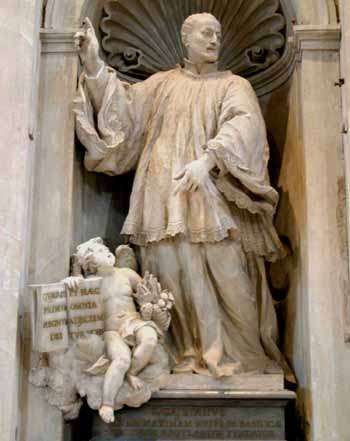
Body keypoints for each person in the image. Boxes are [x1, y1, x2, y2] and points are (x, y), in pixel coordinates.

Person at [74, 13, 291, 379]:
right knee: (171, 278)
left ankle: (244, 359)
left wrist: (207, 160)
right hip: (162, 195)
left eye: (219, 34)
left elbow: (245, 126)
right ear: (185, 39)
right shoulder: (160, 85)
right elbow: (123, 117)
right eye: (206, 33)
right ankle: (179, 356)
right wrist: (95, 63)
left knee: (230, 280)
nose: (214, 40)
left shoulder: (234, 85)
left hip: (212, 195)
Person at [68, 238, 166, 424]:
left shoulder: (126, 274)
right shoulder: (91, 283)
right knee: (120, 359)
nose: (108, 253)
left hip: (134, 321)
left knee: (150, 339)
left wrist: (149, 304)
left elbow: (148, 293)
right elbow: (76, 288)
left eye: (107, 250)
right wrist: (73, 276)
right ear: (91, 265)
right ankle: (107, 403)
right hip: (111, 331)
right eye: (101, 253)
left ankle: (133, 373)